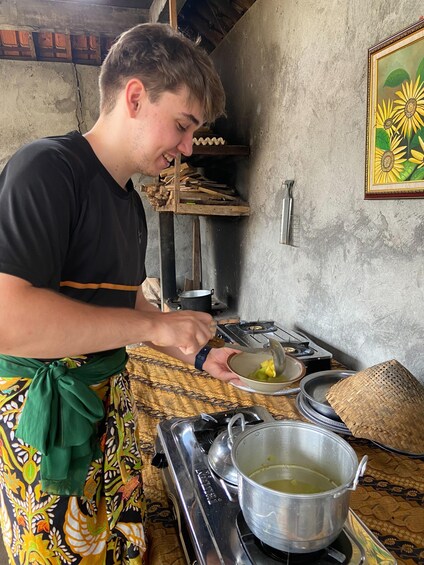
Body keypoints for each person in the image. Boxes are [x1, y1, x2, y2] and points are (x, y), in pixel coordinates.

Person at [0, 23, 240, 564]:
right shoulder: (46, 171)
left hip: (107, 399)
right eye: (182, 126)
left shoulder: (131, 205)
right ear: (135, 97)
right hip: (48, 418)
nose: (185, 148)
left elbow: (123, 300)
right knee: (60, 551)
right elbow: (9, 317)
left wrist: (196, 350)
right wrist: (155, 325)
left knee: (118, 535)